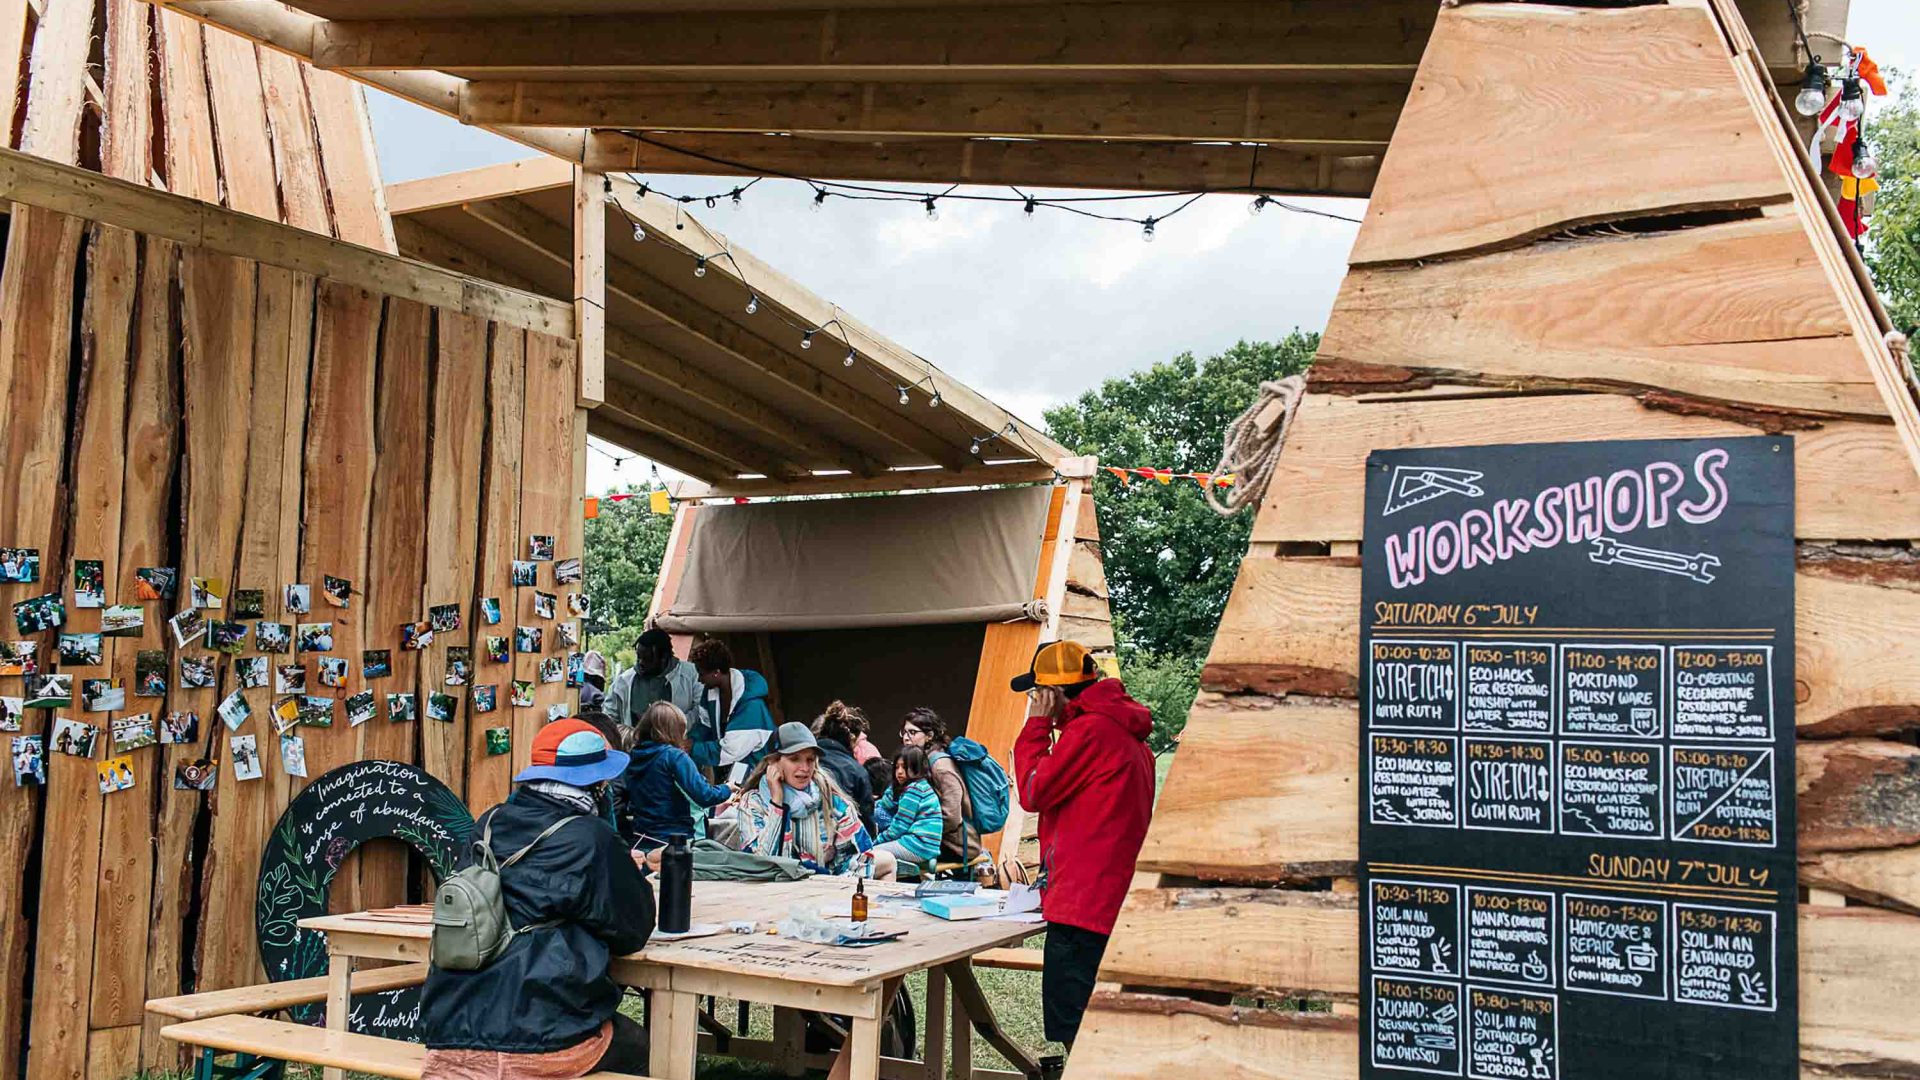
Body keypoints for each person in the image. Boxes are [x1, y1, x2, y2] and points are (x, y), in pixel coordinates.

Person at [421, 719, 655, 1079]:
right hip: (537, 1039)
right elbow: (633, 930)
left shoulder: (487, 824)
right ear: (595, 783)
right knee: (642, 1048)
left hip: (448, 1033)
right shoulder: (591, 838)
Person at [1010, 640, 1154, 1057]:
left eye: (1037, 694)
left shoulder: (1090, 731)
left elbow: (1034, 789)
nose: (1035, 703)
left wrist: (1036, 728)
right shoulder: (1120, 728)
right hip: (1109, 899)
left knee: (1079, 1030)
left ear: (1052, 693)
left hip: (1084, 907)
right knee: (1104, 1028)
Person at [731, 721, 895, 881]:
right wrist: (777, 803)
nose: (804, 768)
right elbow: (763, 865)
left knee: (886, 861)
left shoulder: (832, 802)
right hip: (769, 895)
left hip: (822, 892)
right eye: (794, 759)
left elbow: (858, 858)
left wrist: (828, 887)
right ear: (772, 762)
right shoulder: (753, 803)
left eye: (810, 759)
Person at [618, 701, 734, 847]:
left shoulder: (634, 756)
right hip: (676, 841)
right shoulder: (674, 757)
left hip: (642, 839)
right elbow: (704, 795)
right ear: (676, 730)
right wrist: (727, 789)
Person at [898, 708, 983, 869]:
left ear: (929, 736)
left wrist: (916, 829)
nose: (906, 738)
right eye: (904, 732)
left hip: (958, 846)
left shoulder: (941, 767)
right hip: (937, 839)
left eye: (912, 732)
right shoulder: (922, 760)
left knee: (897, 853)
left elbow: (952, 816)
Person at [688, 637, 777, 780]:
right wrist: (689, 740)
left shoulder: (752, 706)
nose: (699, 680)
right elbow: (705, 726)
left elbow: (730, 750)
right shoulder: (710, 692)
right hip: (727, 769)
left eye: (701, 673)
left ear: (716, 672)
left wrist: (692, 748)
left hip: (756, 772)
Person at [605, 629, 701, 736]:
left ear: (664, 658)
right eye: (639, 657)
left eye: (647, 659)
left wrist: (677, 729)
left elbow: (700, 709)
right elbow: (609, 715)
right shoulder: (623, 681)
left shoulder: (692, 674)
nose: (641, 662)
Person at [871, 746, 943, 877]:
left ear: (917, 768)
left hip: (918, 844)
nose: (899, 772)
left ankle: (904, 868)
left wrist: (875, 841)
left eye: (904, 767)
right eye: (897, 767)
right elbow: (884, 803)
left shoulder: (914, 790)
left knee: (870, 855)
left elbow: (899, 827)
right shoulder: (919, 786)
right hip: (921, 844)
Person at [810, 701, 875, 829]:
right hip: (840, 835)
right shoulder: (855, 770)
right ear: (852, 738)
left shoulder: (808, 759)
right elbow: (866, 817)